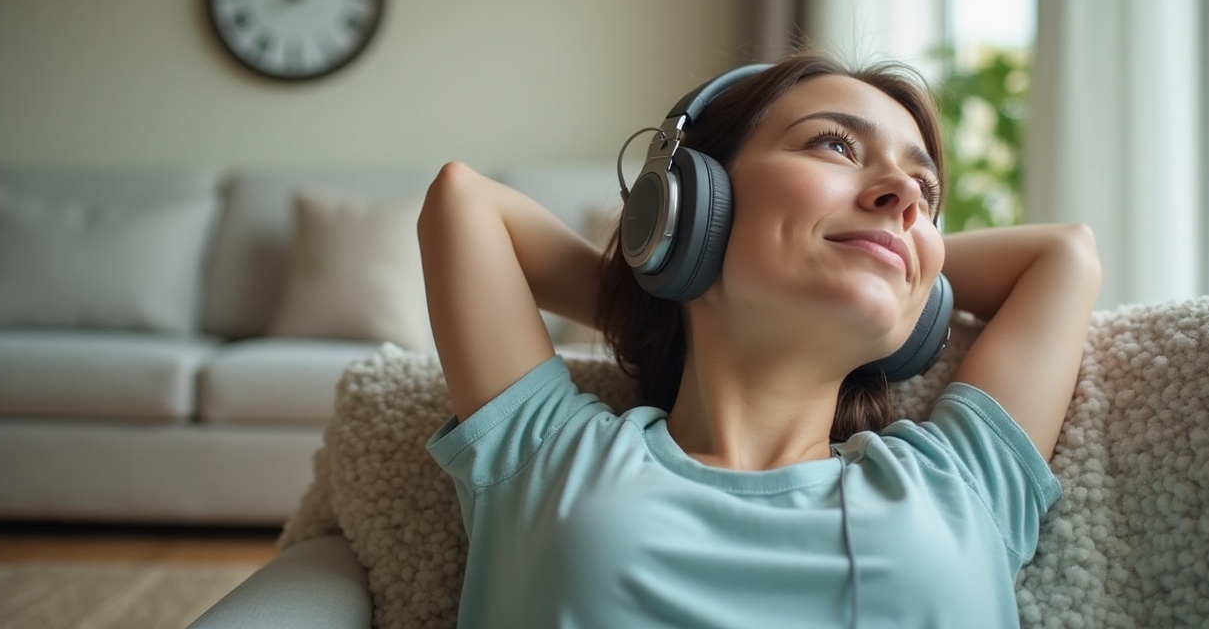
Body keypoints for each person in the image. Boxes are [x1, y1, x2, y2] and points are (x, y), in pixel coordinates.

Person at [417, 51, 1102, 628]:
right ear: (697, 203)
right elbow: (464, 201)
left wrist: (901, 265)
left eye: (924, 188)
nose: (905, 194)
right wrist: (666, 271)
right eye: (835, 144)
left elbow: (1065, 256)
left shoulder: (962, 483)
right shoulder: (547, 458)